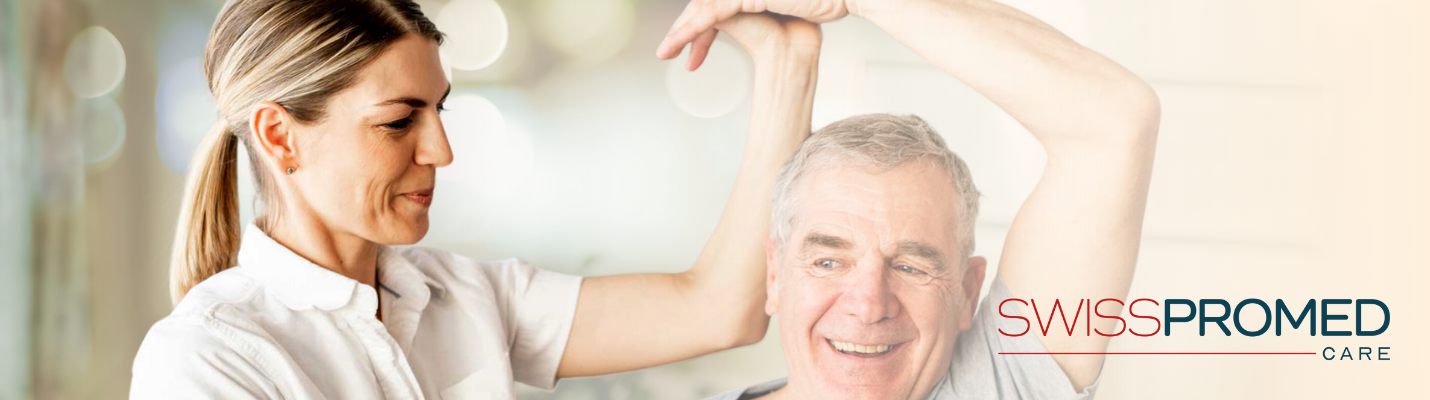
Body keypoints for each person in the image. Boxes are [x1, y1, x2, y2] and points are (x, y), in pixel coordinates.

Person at [129, 0, 822, 398]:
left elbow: (720, 309)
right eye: (397, 122)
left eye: (440, 111)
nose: (441, 151)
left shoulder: (463, 297)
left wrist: (786, 62)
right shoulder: (206, 358)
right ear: (280, 136)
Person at [656, 0, 1160, 399]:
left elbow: (1112, 120)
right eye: (828, 261)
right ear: (775, 277)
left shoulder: (1001, 385)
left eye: (911, 267)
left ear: (966, 293)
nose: (868, 305)